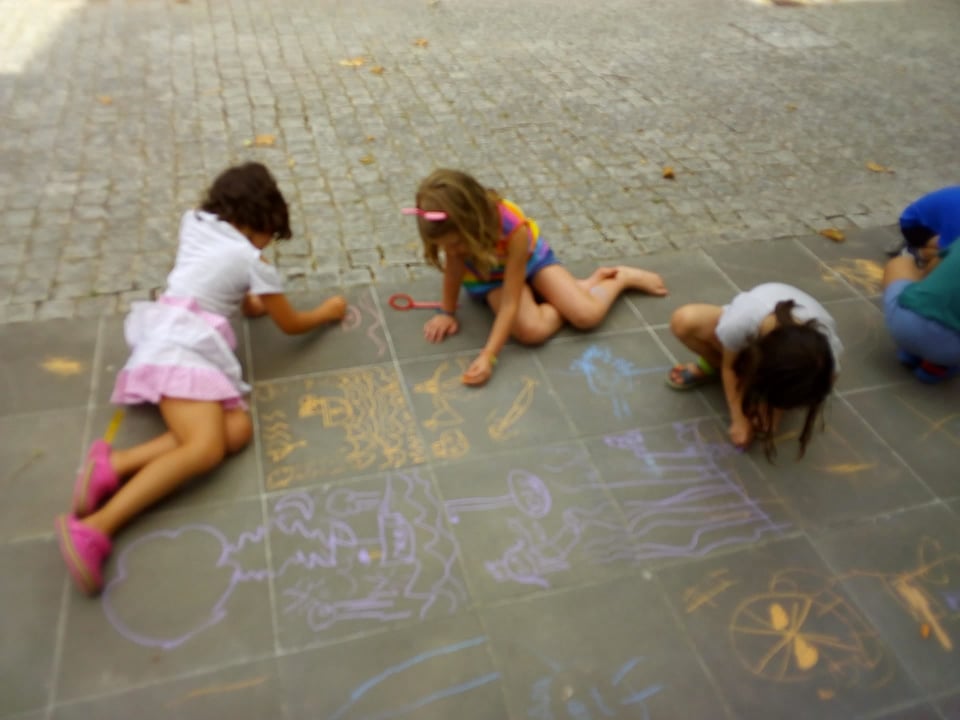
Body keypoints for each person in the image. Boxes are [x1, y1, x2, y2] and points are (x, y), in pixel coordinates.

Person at [57, 162, 348, 595]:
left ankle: (114, 465)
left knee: (236, 430)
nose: (269, 245)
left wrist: (248, 301)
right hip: (182, 351)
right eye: (270, 235)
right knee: (205, 449)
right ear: (259, 222)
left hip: (168, 331)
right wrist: (327, 312)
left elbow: (217, 277)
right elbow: (290, 324)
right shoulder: (251, 259)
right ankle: (96, 527)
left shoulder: (195, 222)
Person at [405, 168, 668, 386]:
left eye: (456, 245)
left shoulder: (513, 228)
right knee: (530, 332)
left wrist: (489, 356)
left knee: (586, 316)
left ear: (473, 222)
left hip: (531, 263)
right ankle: (576, 288)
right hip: (490, 280)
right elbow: (454, 269)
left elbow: (511, 301)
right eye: (445, 247)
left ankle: (620, 278)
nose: (452, 252)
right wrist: (447, 312)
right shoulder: (454, 237)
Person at [666, 283, 843, 459]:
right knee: (684, 321)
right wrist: (739, 418)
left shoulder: (826, 355)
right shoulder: (740, 322)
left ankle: (769, 396)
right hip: (748, 331)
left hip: (776, 352)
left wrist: (774, 412)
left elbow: (823, 383)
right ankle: (712, 365)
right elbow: (729, 367)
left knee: (765, 422)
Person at [882, 243, 960, 383]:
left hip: (905, 327)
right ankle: (937, 366)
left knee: (900, 263)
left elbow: (933, 268)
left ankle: (911, 351)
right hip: (951, 351)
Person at [887, 185, 960, 261]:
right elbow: (949, 250)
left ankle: (918, 245)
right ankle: (913, 253)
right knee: (953, 254)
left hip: (927, 222)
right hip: (913, 226)